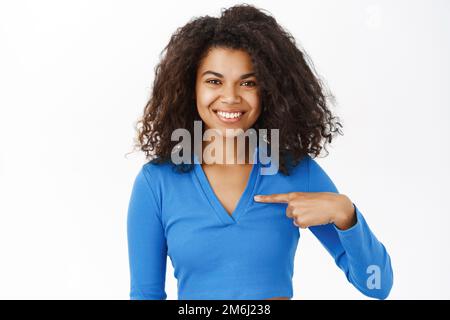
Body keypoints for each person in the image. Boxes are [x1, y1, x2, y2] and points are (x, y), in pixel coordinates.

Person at [127, 4, 393, 300]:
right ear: (191, 88)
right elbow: (145, 295)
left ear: (268, 90)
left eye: (248, 83)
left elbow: (377, 286)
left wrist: (346, 214)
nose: (230, 97)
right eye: (214, 81)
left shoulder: (294, 171)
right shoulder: (156, 183)